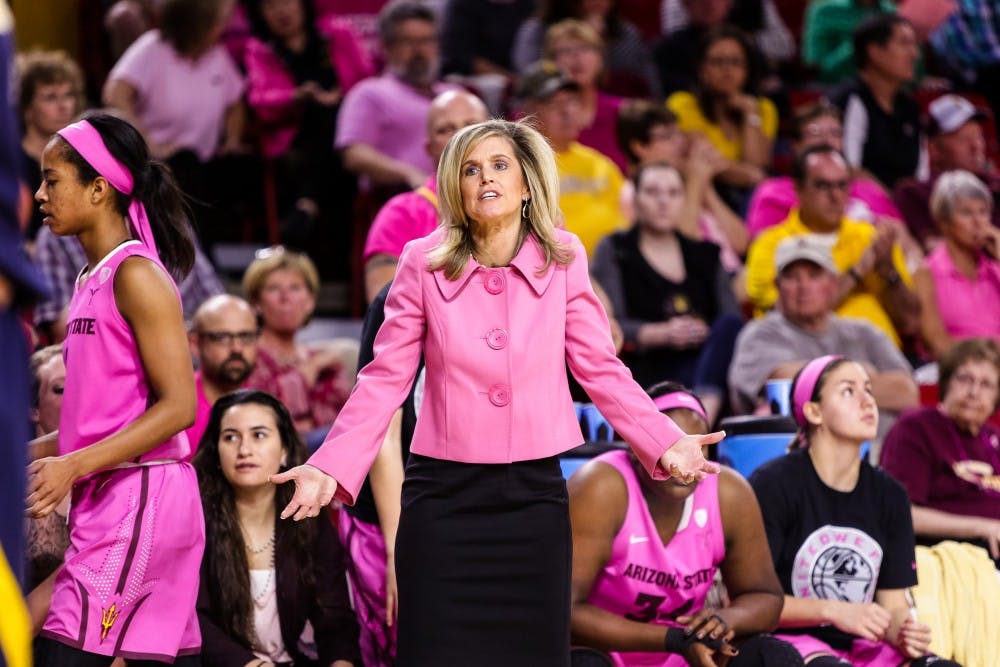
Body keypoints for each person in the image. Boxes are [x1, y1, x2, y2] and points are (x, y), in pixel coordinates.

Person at [271, 118, 723, 665]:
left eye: (499, 164)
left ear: (528, 183)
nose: (485, 176)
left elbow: (600, 368)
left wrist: (664, 439)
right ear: (455, 188)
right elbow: (383, 378)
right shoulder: (421, 261)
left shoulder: (564, 257)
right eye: (470, 168)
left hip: (532, 501)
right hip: (442, 502)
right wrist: (331, 463)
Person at [28, 111, 203, 664]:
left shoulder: (137, 276)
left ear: (99, 188)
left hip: (143, 496)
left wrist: (74, 467)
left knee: (64, 652)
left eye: (52, 180)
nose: (39, 195)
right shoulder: (91, 277)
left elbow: (179, 408)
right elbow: (94, 420)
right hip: (112, 496)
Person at [568, 382, 800, 667]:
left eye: (695, 446)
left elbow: (765, 597)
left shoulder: (728, 492)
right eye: (669, 445)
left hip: (689, 651)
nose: (683, 462)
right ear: (633, 444)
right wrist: (672, 638)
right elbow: (563, 610)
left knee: (771, 655)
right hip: (605, 649)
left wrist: (721, 621)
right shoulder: (600, 485)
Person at [749, 356, 955, 667]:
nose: (867, 401)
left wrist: (902, 630)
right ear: (814, 412)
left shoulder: (891, 494)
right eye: (848, 391)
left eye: (869, 391)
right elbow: (749, 602)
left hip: (861, 643)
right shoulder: (773, 484)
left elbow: (893, 604)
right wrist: (832, 610)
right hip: (788, 641)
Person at [193, 390, 360, 667]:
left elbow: (335, 618)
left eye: (258, 435)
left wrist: (341, 662)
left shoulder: (308, 519)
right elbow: (192, 619)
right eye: (231, 437)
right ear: (216, 452)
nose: (244, 449)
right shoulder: (195, 519)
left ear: (284, 450)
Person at [591, 162, 743, 424]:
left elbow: (730, 320)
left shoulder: (706, 253)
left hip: (704, 364)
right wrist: (660, 334)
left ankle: (700, 413)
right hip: (648, 367)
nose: (663, 202)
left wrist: (700, 330)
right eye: (652, 192)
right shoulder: (616, 249)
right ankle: (695, 418)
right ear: (635, 198)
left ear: (684, 200)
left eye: (673, 193)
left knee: (731, 326)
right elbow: (607, 323)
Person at [729, 235, 918, 431]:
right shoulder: (760, 335)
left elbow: (906, 392)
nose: (804, 287)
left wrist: (823, 384)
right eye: (792, 277)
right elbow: (786, 383)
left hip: (879, 449)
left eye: (814, 275)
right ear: (778, 286)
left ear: (833, 283)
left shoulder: (864, 332)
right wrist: (864, 373)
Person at [103, 0, 249, 252]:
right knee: (187, 167)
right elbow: (115, 94)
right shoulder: (152, 47)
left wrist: (232, 139)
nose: (219, 29)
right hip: (156, 161)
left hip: (206, 160)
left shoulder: (217, 54)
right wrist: (147, 141)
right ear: (194, 26)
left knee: (241, 170)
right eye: (213, 24)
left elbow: (235, 103)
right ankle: (195, 254)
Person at [745, 145, 919, 348]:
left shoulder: (869, 237)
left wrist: (889, 272)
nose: (836, 196)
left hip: (881, 361)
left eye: (842, 185)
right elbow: (790, 319)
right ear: (798, 190)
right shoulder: (771, 245)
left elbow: (911, 323)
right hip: (810, 364)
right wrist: (855, 273)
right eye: (823, 186)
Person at [243, 0, 374, 244]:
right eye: (271, 7)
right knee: (319, 113)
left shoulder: (338, 33)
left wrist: (343, 99)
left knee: (333, 115)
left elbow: (367, 81)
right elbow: (260, 102)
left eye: (287, 2)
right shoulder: (260, 49)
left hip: (347, 130)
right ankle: (310, 204)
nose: (281, 11)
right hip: (295, 141)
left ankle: (308, 203)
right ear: (260, 14)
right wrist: (296, 96)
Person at [363, 89, 489, 302]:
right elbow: (385, 306)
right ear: (429, 148)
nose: (460, 137)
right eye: (445, 130)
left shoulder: (525, 206)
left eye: (471, 126)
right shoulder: (400, 214)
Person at [880, 338, 1000, 562]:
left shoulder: (994, 437)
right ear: (946, 383)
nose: (974, 392)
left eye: (986, 384)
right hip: (945, 555)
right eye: (965, 379)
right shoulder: (916, 427)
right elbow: (902, 515)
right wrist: (985, 528)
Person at [335, 1, 456, 196]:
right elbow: (354, 154)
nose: (420, 51)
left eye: (427, 40)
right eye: (408, 41)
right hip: (403, 200)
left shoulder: (456, 94)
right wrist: (408, 174)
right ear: (386, 47)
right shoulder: (369, 93)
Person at [614, 99, 747, 272]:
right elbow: (681, 241)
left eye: (678, 134)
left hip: (727, 275)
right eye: (666, 136)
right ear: (639, 147)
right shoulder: (633, 193)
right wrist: (696, 183)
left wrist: (706, 188)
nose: (679, 143)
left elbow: (741, 243)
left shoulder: (692, 184)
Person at [745, 102, 906, 240]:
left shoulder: (869, 192)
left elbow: (904, 243)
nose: (827, 141)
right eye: (815, 133)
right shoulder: (773, 193)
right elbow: (764, 247)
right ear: (796, 145)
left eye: (835, 133)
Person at [243, 246, 356, 442]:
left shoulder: (324, 360)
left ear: (310, 301)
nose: (285, 297)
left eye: (295, 288)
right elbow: (265, 415)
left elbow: (348, 416)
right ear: (256, 304)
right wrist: (309, 371)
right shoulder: (247, 355)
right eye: (273, 288)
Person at [515, 60, 627, 257]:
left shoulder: (599, 163)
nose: (566, 112)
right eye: (554, 104)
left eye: (571, 101)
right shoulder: (520, 167)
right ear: (527, 113)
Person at [666, 25, 777, 207]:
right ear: (702, 70)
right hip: (702, 191)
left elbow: (757, 164)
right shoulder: (683, 104)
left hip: (747, 196)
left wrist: (750, 115)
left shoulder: (763, 109)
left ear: (747, 71)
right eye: (718, 62)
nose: (727, 69)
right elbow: (705, 161)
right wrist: (748, 175)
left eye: (735, 62)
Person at [894, 94, 1000, 252]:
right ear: (934, 149)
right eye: (963, 139)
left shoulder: (995, 184)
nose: (976, 147)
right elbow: (934, 249)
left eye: (978, 137)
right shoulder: (915, 194)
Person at [912, 171, 1000, 359]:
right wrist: (990, 357)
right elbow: (937, 343)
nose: (978, 222)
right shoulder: (926, 273)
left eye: (983, 212)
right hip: (954, 371)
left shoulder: (996, 270)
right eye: (966, 213)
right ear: (944, 222)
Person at [833, 13, 925, 189]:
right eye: (904, 44)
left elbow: (920, 175)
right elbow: (850, 170)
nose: (915, 54)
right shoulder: (850, 99)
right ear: (875, 52)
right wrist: (890, 204)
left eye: (915, 45)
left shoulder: (910, 107)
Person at [512, 0, 660, 99]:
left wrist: (597, 40)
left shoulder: (625, 33)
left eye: (584, 49)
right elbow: (531, 79)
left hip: (612, 105)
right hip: (551, 103)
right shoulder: (537, 31)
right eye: (567, 50)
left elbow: (646, 81)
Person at [15, 49, 85, 242]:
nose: (64, 106)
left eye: (68, 95)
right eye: (50, 97)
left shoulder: (83, 158)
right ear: (27, 106)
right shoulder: (12, 164)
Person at [544, 19, 628, 172]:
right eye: (566, 51)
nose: (577, 57)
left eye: (586, 49)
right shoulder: (535, 115)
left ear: (601, 60)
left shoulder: (623, 113)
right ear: (551, 62)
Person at [186, 294, 259, 451]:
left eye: (246, 336)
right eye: (223, 337)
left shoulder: (270, 398)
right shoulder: (178, 409)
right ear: (195, 343)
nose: (237, 348)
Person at [801, 0, 896, 85]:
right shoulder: (825, 10)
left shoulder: (890, 10)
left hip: (885, 89)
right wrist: (858, 44)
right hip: (833, 89)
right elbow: (815, 69)